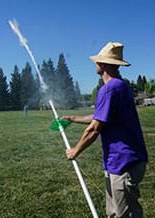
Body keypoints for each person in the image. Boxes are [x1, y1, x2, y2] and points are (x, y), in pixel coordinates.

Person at [62, 42, 148, 218]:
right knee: (114, 213)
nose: (96, 64)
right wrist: (73, 119)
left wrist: (75, 151)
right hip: (119, 162)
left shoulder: (110, 89)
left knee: (126, 215)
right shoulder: (120, 86)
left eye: (98, 60)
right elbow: (100, 116)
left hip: (124, 162)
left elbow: (94, 128)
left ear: (104, 64)